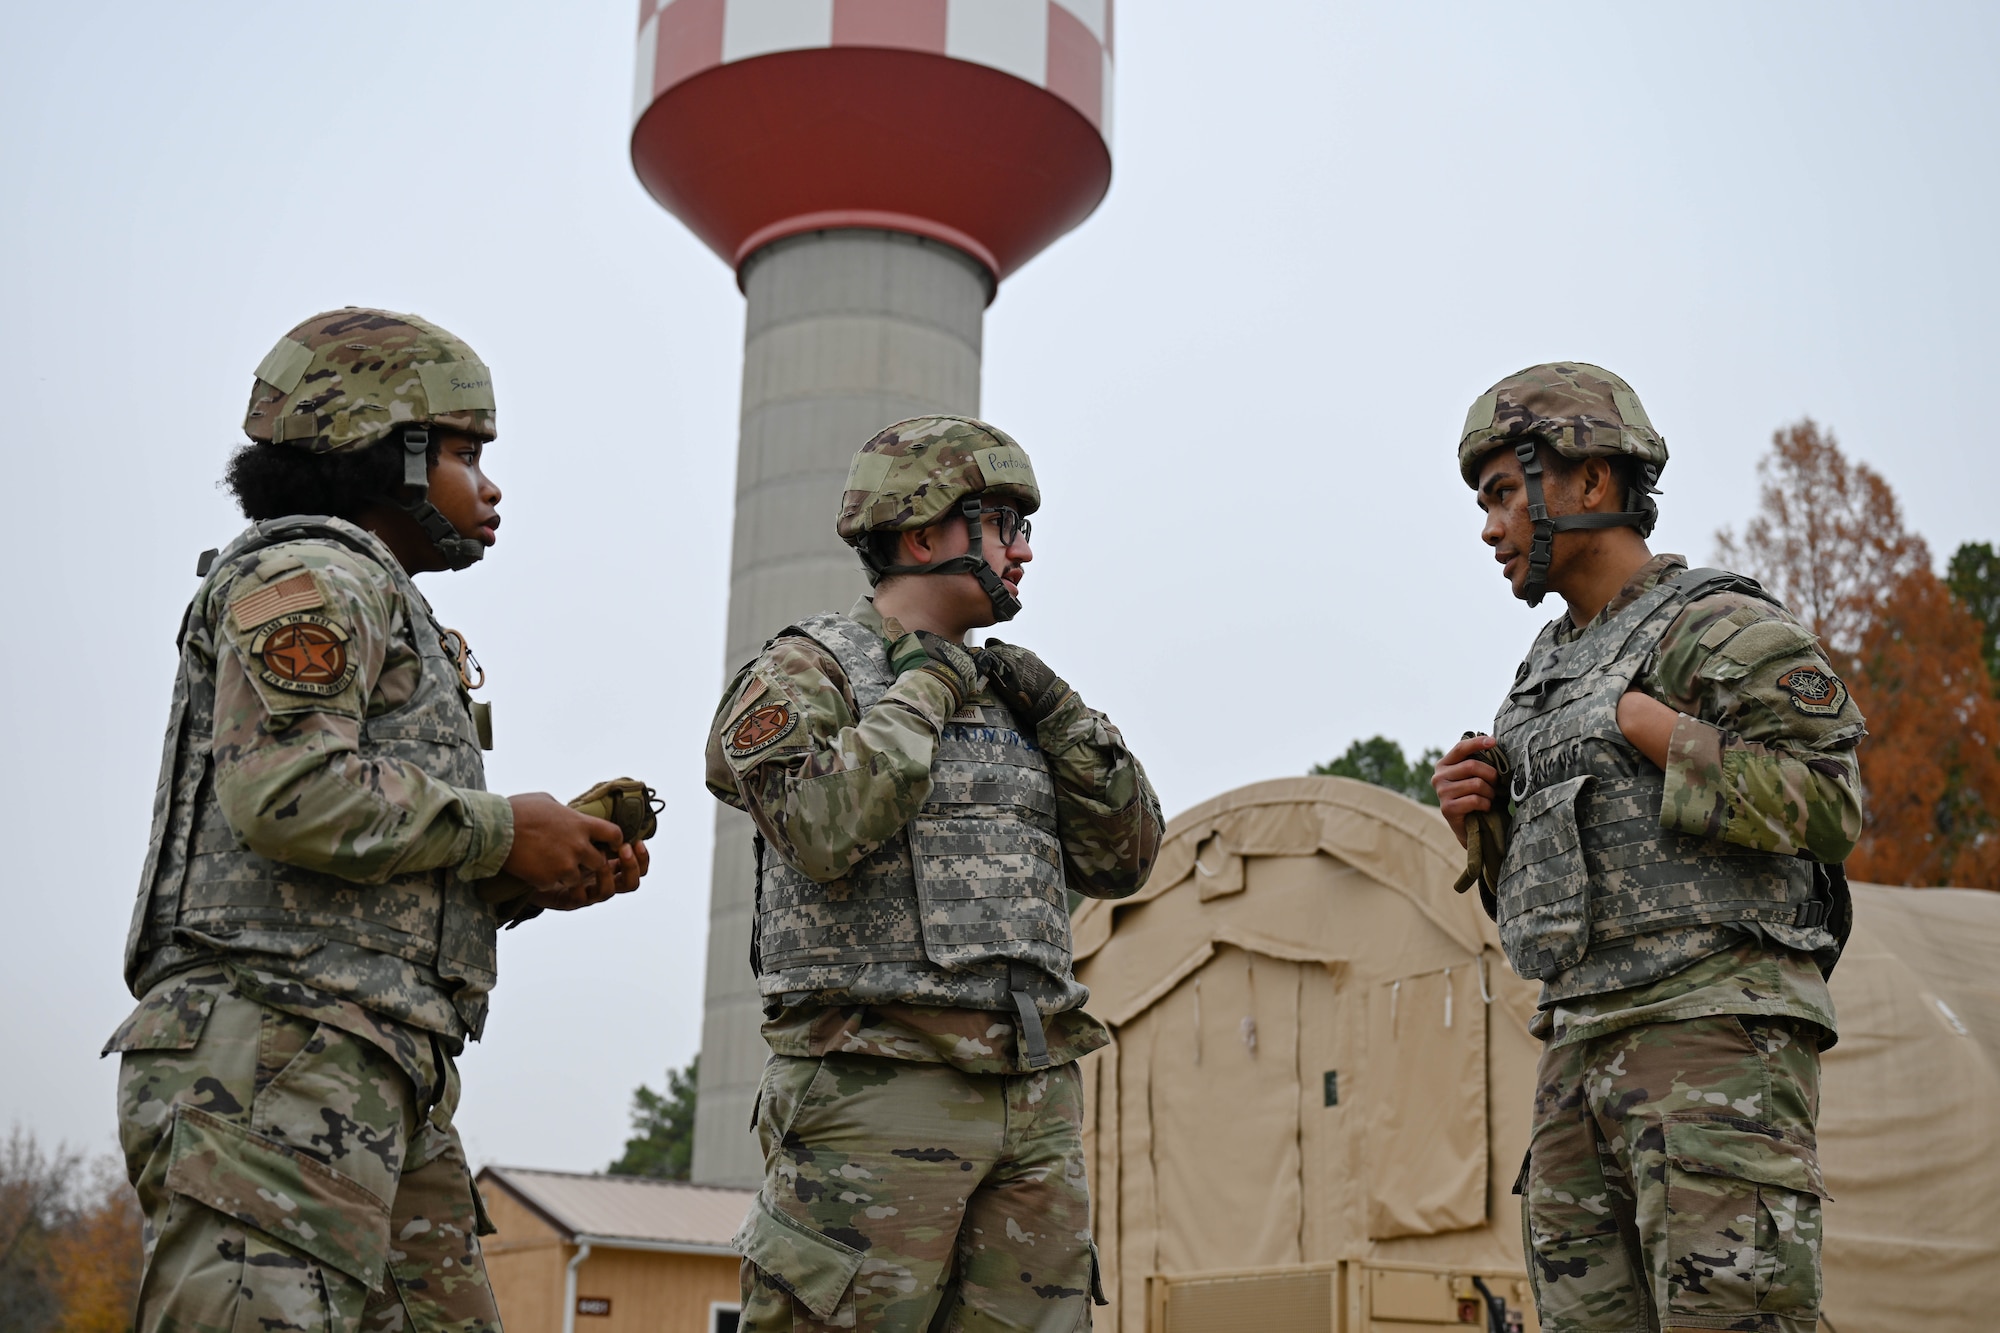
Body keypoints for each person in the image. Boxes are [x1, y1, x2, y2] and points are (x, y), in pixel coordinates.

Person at [107, 308, 649, 1333]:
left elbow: (353, 855)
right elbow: (287, 793)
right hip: (271, 1056)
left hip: (368, 1065)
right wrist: (500, 829)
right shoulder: (312, 575)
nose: (487, 486)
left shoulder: (381, 600)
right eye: (463, 451)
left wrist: (526, 869)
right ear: (381, 451)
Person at [1431, 363, 1863, 1333]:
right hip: (1576, 1047)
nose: (1489, 528)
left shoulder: (1713, 627)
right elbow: (1556, 896)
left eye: (1503, 492)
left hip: (1708, 1036)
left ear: (1589, 482)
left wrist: (1659, 734)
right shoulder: (1538, 676)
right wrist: (1480, 821)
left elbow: (1832, 805)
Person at [707, 415, 1163, 1332]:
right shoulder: (808, 670)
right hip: (875, 1087)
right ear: (923, 534)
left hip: (1032, 1093)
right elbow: (822, 827)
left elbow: (1128, 858)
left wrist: (1065, 714)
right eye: (1004, 524)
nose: (1025, 550)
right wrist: (923, 687)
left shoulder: (1020, 694)